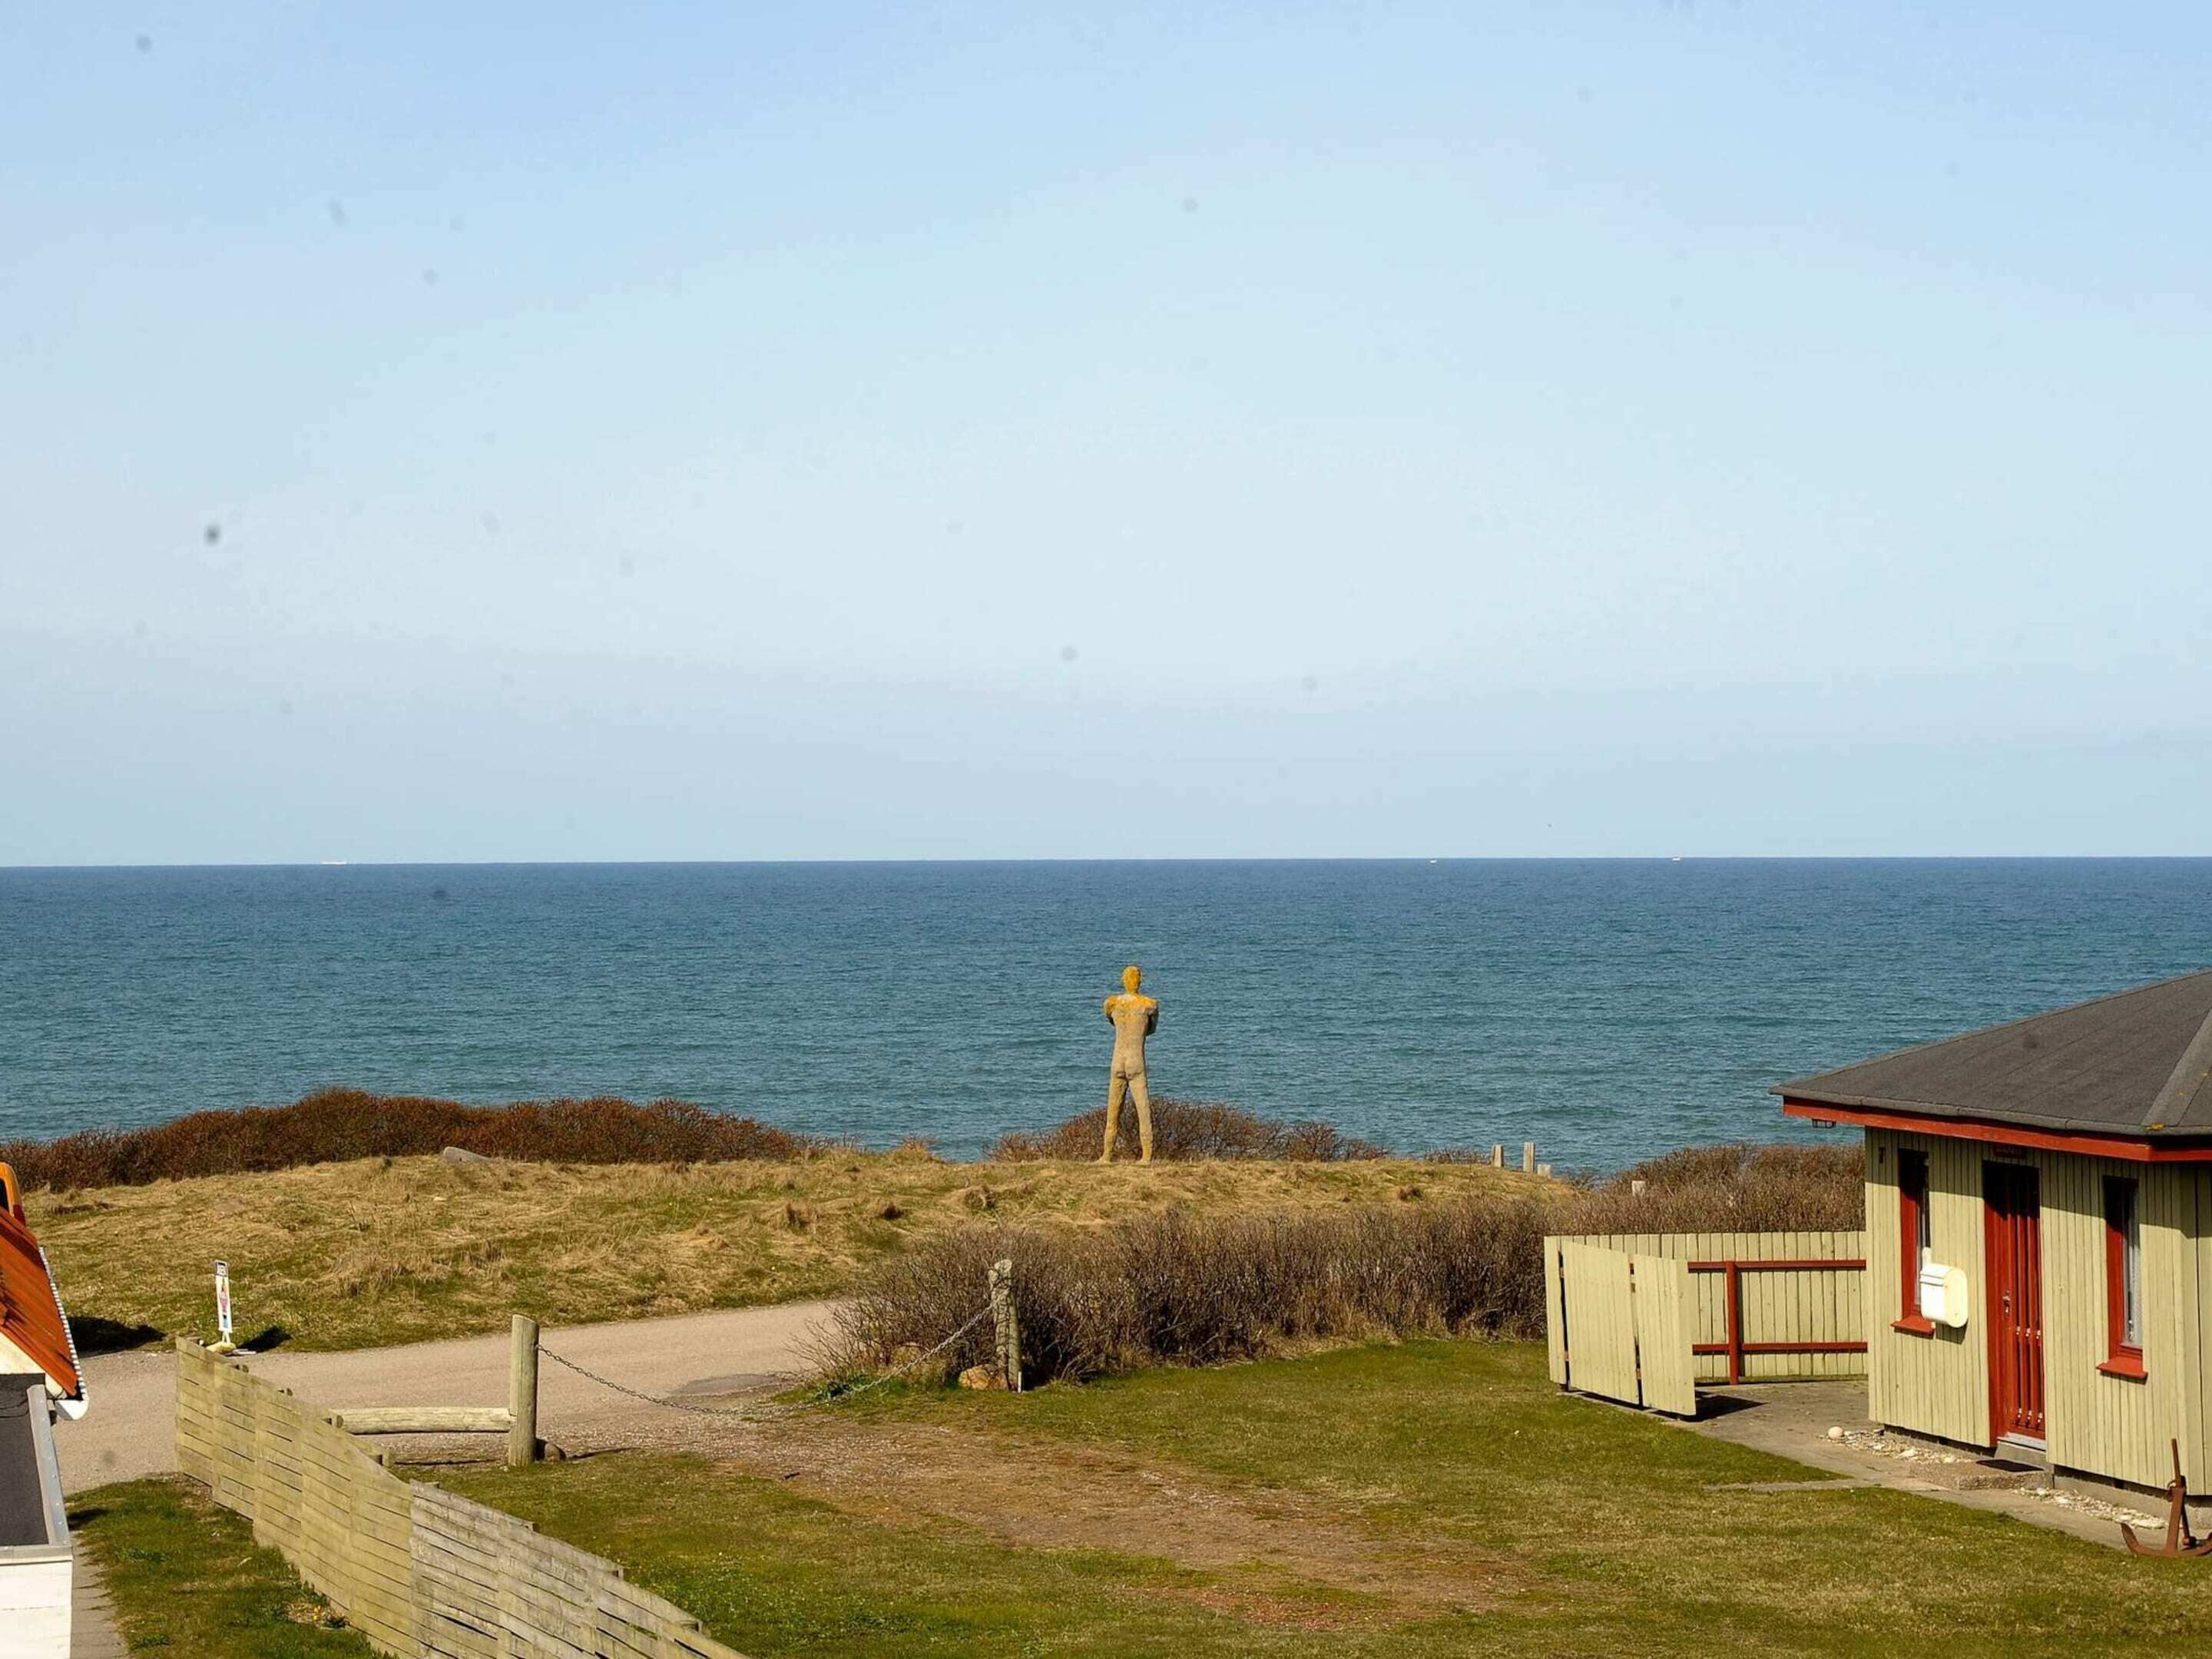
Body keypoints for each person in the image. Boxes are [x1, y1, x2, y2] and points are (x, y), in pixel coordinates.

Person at [1098, 964, 1159, 1163]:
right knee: (1143, 1110)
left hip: (1117, 1060)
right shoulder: (1149, 1004)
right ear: (1140, 980)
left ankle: (1107, 1155)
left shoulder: (1112, 1003)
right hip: (1135, 1061)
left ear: (1123, 980)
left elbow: (1111, 1022)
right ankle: (1146, 1155)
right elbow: (1151, 1030)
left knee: (1113, 1112)